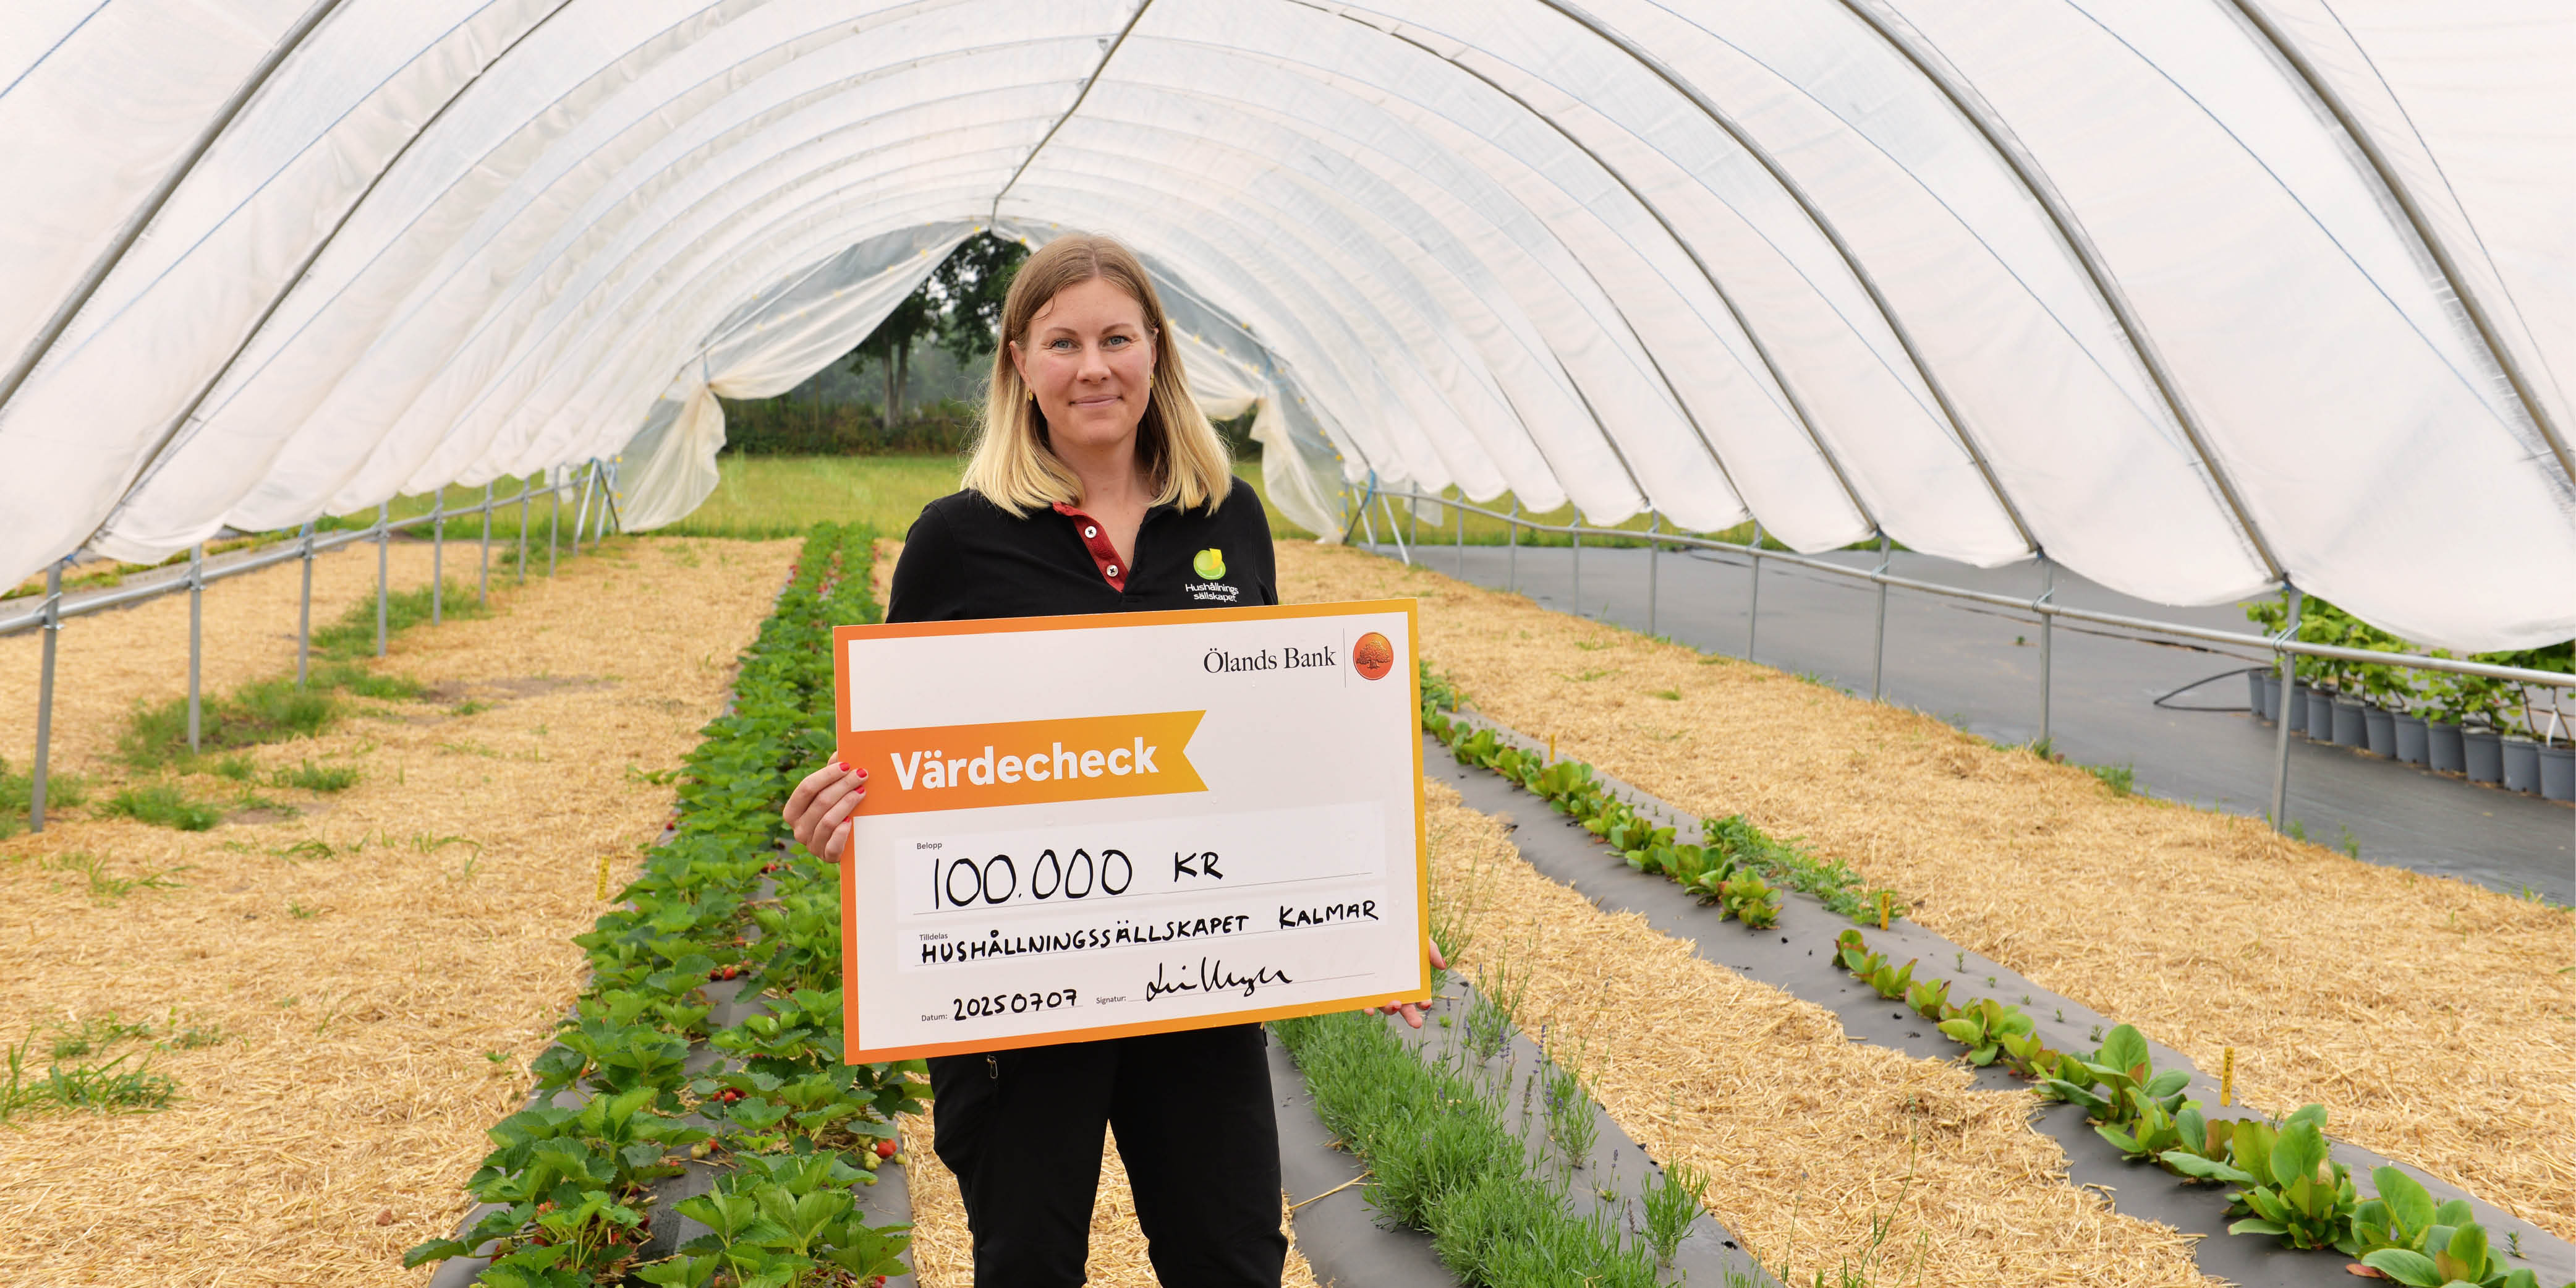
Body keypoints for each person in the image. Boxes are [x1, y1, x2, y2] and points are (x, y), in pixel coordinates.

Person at [779, 232, 1441, 1287]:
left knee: (1230, 1259)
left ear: (1156, 352)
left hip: (1195, 974)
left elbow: (1271, 748)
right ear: (1019, 364)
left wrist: (1366, 918)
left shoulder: (1228, 519)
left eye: (1117, 339)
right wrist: (845, 813)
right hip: (1020, 993)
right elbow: (910, 759)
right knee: (1029, 1263)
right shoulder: (959, 539)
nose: (1093, 367)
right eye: (1063, 343)